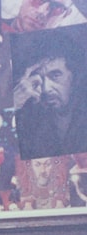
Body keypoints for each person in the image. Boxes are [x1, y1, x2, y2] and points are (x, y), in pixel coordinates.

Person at [12, 29, 87, 159]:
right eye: (38, 78)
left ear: (74, 76)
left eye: (55, 75)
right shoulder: (29, 119)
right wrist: (15, 102)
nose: (46, 89)